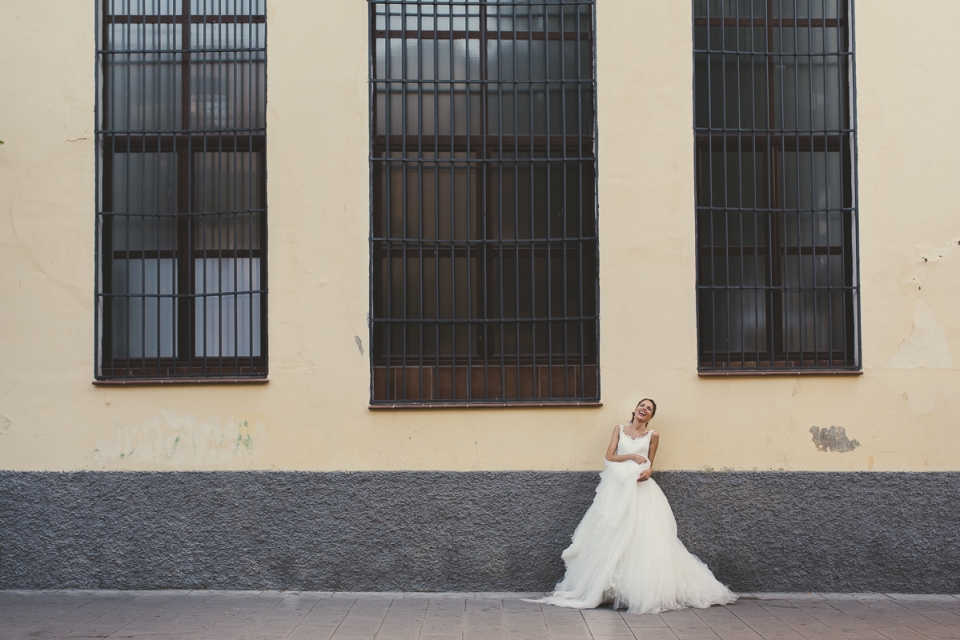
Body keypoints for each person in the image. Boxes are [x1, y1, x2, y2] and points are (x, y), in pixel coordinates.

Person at [530, 399, 737, 615]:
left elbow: (649, 462)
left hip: (640, 491)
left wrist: (649, 471)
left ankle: (635, 591)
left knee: (642, 536)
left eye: (649, 409)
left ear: (650, 416)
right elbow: (609, 456)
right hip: (616, 489)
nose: (644, 409)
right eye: (642, 405)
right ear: (635, 409)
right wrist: (632, 456)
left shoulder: (653, 435)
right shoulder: (619, 429)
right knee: (611, 532)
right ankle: (605, 588)